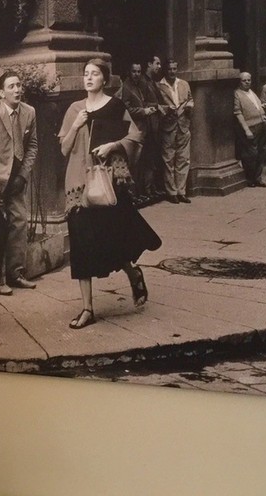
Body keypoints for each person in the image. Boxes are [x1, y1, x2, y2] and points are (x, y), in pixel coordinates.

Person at [57, 58, 162, 329]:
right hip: (79, 184)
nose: (89, 78)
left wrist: (112, 145)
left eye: (95, 74)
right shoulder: (74, 109)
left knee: (113, 237)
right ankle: (87, 308)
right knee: (80, 244)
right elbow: (64, 149)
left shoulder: (116, 106)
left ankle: (132, 272)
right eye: (86, 74)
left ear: (105, 79)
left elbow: (136, 136)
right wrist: (76, 126)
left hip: (108, 181)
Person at [0, 70, 39, 293]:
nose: (17, 89)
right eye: (11, 86)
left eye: (19, 85)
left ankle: (16, 273)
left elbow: (32, 146)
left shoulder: (29, 112)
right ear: (1, 92)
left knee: (19, 223)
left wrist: (23, 175)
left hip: (16, 177)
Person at [117, 61, 161, 203]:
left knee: (143, 162)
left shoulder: (140, 86)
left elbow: (146, 100)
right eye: (134, 71)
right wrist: (144, 111)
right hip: (135, 130)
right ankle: (132, 195)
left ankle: (141, 192)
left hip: (145, 129)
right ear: (129, 72)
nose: (136, 74)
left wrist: (150, 107)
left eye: (138, 71)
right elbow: (126, 109)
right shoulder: (126, 87)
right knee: (134, 163)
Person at [155, 59, 194, 203]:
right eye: (169, 69)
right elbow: (156, 105)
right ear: (165, 70)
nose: (172, 72)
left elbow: (190, 99)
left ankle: (181, 191)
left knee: (183, 159)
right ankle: (171, 192)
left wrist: (190, 105)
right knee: (168, 159)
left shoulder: (184, 84)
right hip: (168, 126)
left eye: (174, 69)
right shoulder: (159, 86)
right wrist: (166, 109)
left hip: (183, 125)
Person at [233, 72, 266, 187]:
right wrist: (246, 129)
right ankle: (250, 179)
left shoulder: (252, 92)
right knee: (251, 154)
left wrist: (263, 113)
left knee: (261, 153)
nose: (247, 82)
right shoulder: (237, 94)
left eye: (249, 80)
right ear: (240, 81)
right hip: (250, 127)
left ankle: (258, 178)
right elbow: (238, 113)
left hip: (261, 125)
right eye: (244, 80)